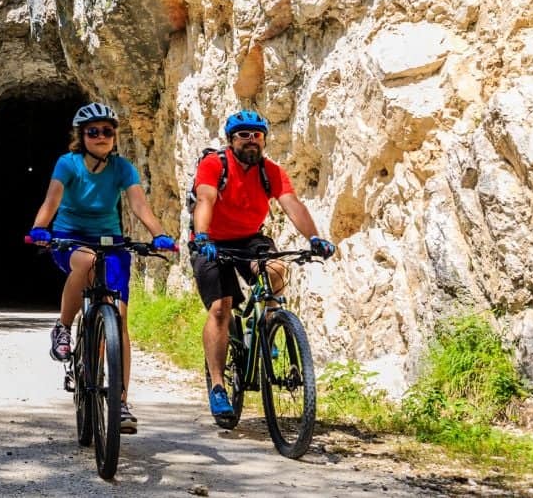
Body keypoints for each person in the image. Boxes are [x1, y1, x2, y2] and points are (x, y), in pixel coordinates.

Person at [27, 102, 176, 433]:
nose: (101, 137)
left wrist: (160, 234)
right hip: (70, 237)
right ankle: (64, 326)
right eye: (93, 131)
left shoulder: (122, 168)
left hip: (110, 239)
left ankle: (120, 401)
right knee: (85, 261)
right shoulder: (68, 164)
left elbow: (139, 204)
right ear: (81, 136)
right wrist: (40, 228)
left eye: (107, 131)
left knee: (119, 318)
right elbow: (52, 200)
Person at [190, 109, 336, 423]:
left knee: (275, 268)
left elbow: (291, 203)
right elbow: (205, 199)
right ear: (232, 140)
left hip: (249, 238)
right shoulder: (215, 165)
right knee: (220, 307)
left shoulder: (270, 171)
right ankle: (218, 386)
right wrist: (202, 237)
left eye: (257, 135)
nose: (251, 140)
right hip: (212, 241)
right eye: (244, 135)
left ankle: (269, 322)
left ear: (264, 139)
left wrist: (314, 238)